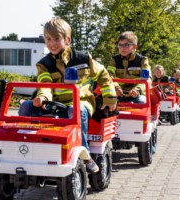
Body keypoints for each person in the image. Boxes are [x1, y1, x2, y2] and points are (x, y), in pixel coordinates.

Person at [19, 17, 117, 173]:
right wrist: (42, 98)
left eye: (56, 39)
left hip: (82, 102)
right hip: (55, 104)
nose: (51, 44)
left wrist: (110, 98)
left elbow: (103, 75)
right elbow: (45, 85)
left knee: (75, 111)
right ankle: (27, 150)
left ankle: (85, 156)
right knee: (25, 108)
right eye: (48, 39)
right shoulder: (44, 64)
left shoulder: (83, 58)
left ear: (68, 39)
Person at [107, 31, 151, 103]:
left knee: (142, 102)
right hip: (118, 93)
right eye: (120, 45)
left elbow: (147, 79)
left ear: (134, 46)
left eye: (126, 45)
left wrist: (137, 90)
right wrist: (116, 87)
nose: (122, 48)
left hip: (137, 95)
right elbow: (109, 75)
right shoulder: (114, 59)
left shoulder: (142, 60)